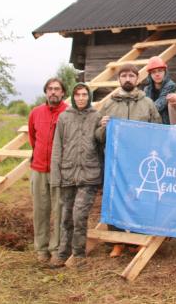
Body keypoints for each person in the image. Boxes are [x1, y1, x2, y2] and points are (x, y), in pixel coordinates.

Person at [95, 63, 162, 257]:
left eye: (131, 76)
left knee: (140, 198)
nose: (127, 79)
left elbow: (157, 131)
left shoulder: (147, 103)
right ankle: (117, 241)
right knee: (113, 199)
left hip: (139, 161)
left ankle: (138, 238)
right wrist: (104, 127)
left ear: (137, 79)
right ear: (119, 80)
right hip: (115, 162)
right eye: (123, 75)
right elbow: (97, 136)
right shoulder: (108, 104)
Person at [48, 82, 101, 269]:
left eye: (84, 95)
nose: (80, 98)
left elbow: (102, 143)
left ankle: (78, 254)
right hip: (68, 173)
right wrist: (56, 176)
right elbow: (57, 147)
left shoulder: (97, 116)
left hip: (89, 174)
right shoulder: (64, 117)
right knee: (66, 216)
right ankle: (62, 253)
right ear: (73, 96)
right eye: (77, 94)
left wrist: (104, 127)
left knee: (79, 215)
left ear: (89, 97)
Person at [28, 78, 68, 264]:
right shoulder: (36, 113)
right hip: (38, 169)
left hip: (59, 171)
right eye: (50, 89)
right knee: (40, 210)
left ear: (62, 93)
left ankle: (57, 249)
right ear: (46, 92)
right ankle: (41, 249)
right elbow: (33, 138)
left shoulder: (68, 112)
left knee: (59, 210)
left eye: (57, 89)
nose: (53, 92)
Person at [142, 56, 176, 125]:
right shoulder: (147, 89)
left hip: (167, 122)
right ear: (150, 74)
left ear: (165, 72)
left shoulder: (171, 85)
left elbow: (160, 105)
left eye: (160, 71)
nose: (157, 74)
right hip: (152, 120)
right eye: (153, 72)